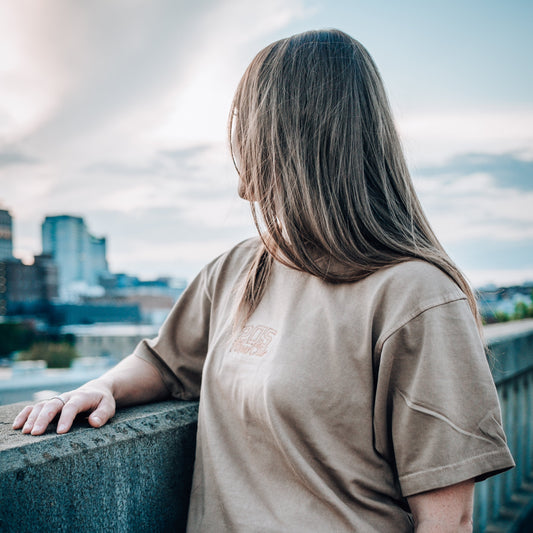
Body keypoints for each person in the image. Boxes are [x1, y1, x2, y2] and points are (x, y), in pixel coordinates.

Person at [13, 29, 514, 532]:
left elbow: (448, 522)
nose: (235, 141)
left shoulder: (418, 297)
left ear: (280, 134)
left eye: (243, 122)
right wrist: (102, 387)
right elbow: (165, 363)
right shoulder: (235, 270)